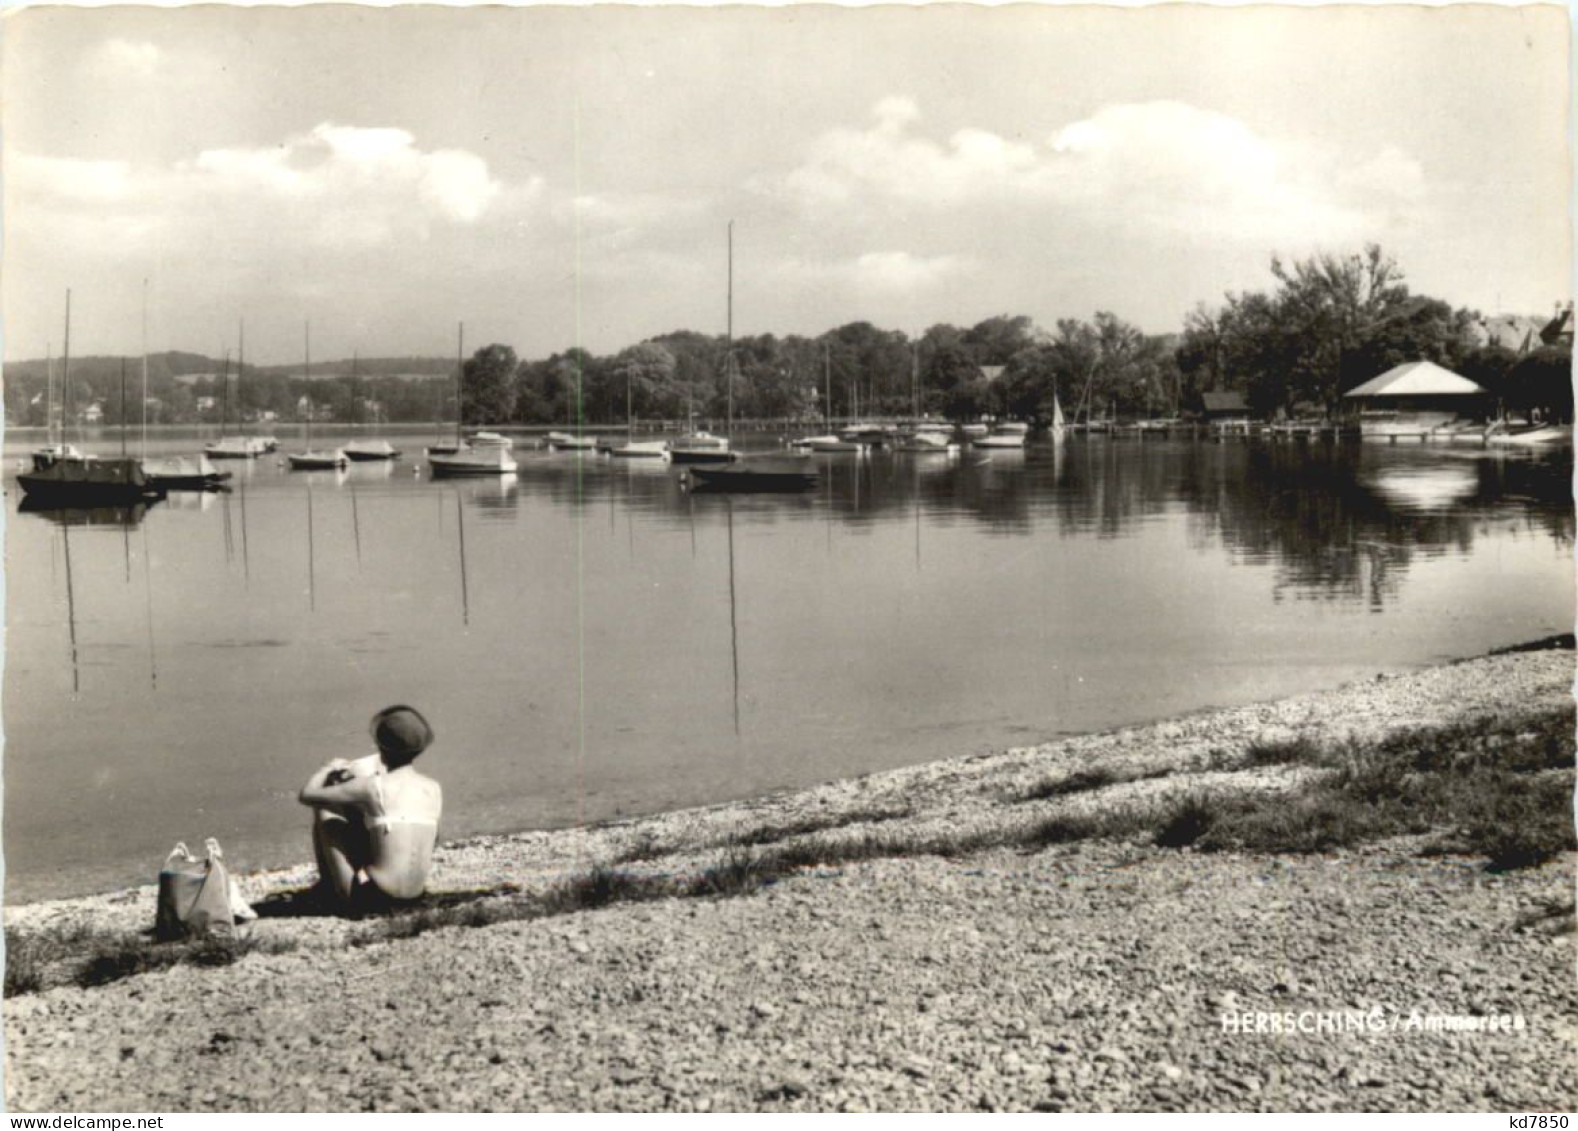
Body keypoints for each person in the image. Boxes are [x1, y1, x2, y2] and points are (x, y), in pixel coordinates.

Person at [299, 705, 443, 910]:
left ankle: (328, 888)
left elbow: (307, 795)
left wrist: (327, 769)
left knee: (326, 808)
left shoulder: (372, 785)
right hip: (415, 896)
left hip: (373, 896)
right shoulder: (433, 788)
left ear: (381, 749)